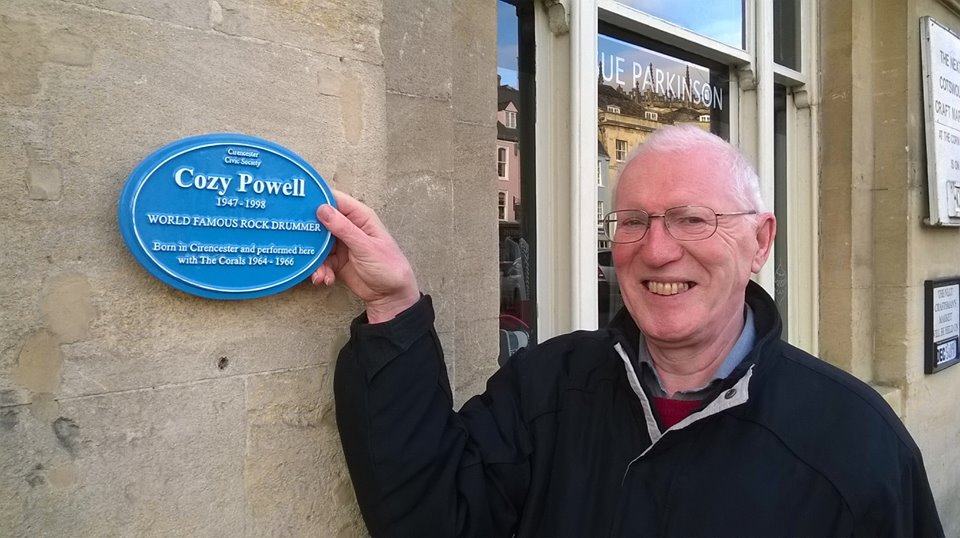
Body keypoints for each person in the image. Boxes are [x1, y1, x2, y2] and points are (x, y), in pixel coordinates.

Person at [312, 126, 944, 537]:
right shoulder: (548, 388)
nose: (657, 250)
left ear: (760, 242)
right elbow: (429, 515)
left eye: (692, 219)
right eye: (634, 221)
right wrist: (393, 305)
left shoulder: (854, 441)